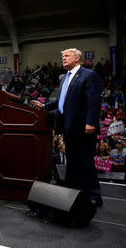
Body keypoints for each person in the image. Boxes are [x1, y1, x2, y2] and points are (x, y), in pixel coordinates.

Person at [32, 48, 102, 206]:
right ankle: (74, 191)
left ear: (77, 58)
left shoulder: (88, 75)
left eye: (67, 56)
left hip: (83, 126)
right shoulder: (64, 78)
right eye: (62, 56)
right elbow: (61, 101)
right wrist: (44, 106)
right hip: (68, 126)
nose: (63, 58)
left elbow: (94, 101)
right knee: (73, 160)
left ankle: (94, 196)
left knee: (85, 161)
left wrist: (90, 122)